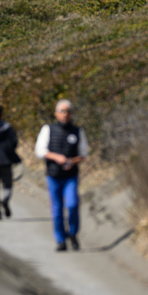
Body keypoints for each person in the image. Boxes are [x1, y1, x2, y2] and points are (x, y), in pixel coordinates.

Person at [35, 99, 89, 252]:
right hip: (53, 175)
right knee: (57, 209)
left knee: (72, 205)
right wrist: (56, 157)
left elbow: (83, 153)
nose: (65, 115)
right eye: (62, 111)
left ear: (71, 114)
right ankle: (60, 240)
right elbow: (40, 151)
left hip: (70, 176)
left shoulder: (78, 131)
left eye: (68, 112)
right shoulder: (48, 129)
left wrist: (73, 161)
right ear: (56, 114)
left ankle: (72, 233)